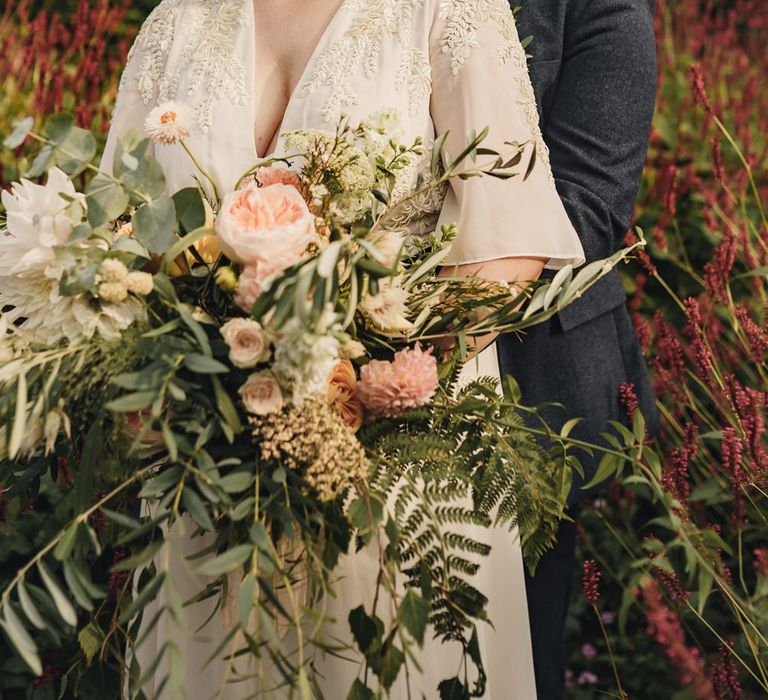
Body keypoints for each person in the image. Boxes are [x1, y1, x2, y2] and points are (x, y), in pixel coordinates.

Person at [103, 0, 586, 696]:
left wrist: (366, 391)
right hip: (203, 476)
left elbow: (506, 246)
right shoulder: (174, 23)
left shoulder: (448, 11)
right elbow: (122, 237)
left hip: (390, 471)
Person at [496, 1, 660, 697]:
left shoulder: (604, 9)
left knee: (511, 651)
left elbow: (589, 208)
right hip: (340, 346)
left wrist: (406, 296)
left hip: (531, 385)